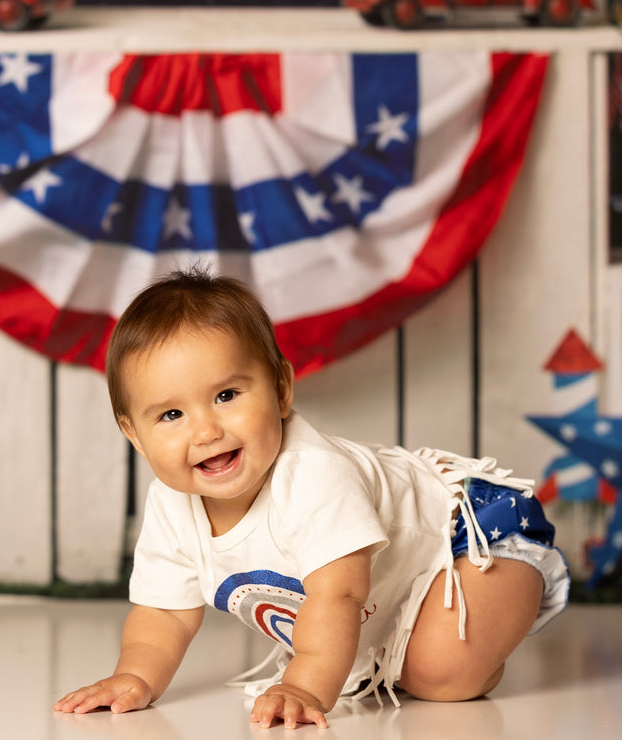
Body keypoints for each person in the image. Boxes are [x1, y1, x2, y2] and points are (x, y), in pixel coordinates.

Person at [54, 268, 568, 728]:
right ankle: (431, 639)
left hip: (473, 534)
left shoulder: (313, 474)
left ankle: (489, 624)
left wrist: (304, 686)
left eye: (227, 396)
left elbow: (337, 596)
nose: (206, 430)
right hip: (400, 584)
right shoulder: (172, 504)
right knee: (399, 663)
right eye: (171, 416)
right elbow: (164, 614)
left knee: (440, 675)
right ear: (133, 434)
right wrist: (134, 677)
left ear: (280, 390)